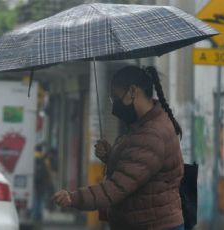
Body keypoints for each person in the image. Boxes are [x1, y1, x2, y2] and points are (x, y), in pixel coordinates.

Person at [52, 66, 185, 230]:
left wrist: (74, 198)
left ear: (132, 92)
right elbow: (138, 166)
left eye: (115, 97)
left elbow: (117, 187)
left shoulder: (151, 134)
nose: (114, 105)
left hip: (152, 224)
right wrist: (110, 155)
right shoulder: (147, 124)